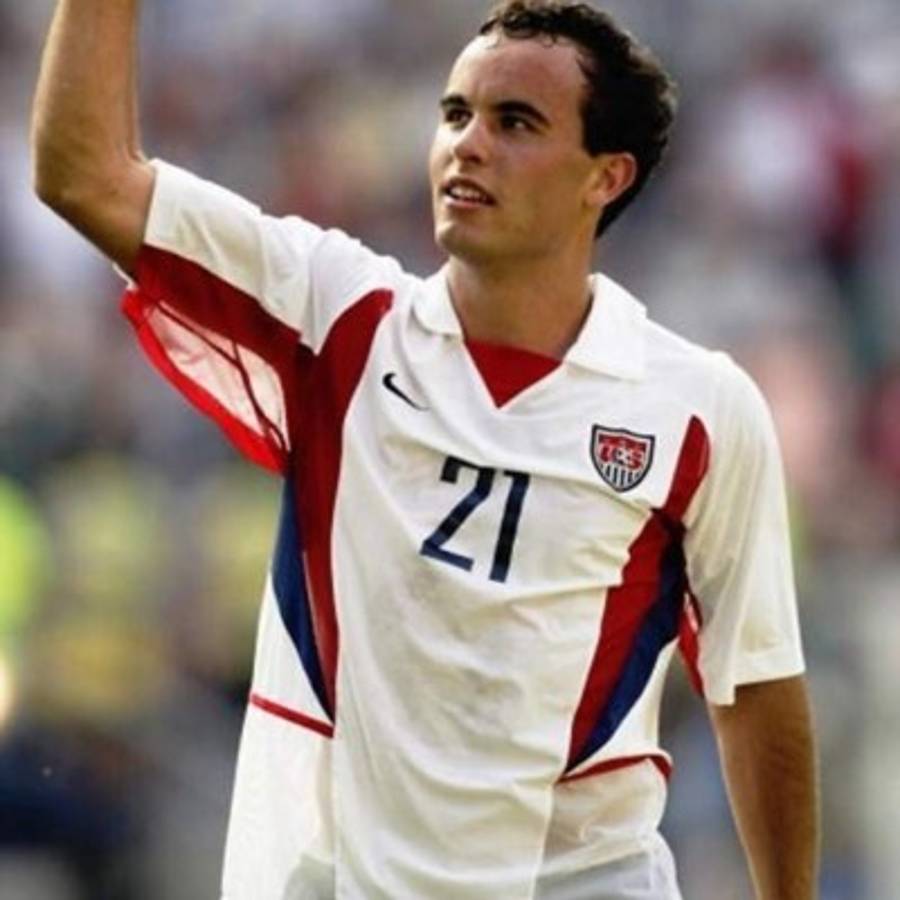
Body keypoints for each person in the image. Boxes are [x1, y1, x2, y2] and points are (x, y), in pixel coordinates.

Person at [31, 1, 820, 897]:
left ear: (607, 176)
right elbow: (85, 175)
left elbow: (754, 683)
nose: (467, 145)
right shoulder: (338, 315)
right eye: (455, 114)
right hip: (354, 878)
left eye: (514, 122)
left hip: (585, 878)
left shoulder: (699, 407)